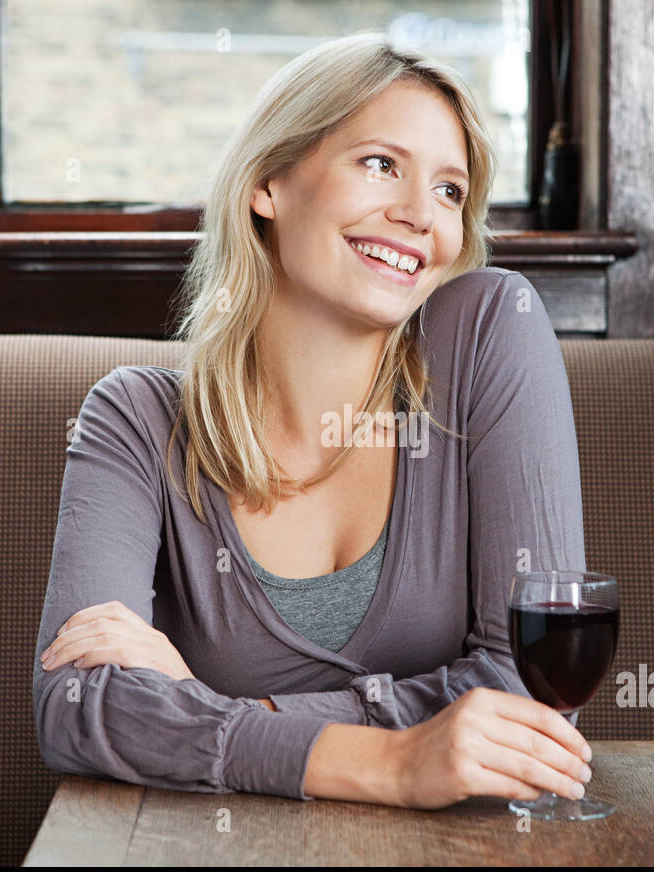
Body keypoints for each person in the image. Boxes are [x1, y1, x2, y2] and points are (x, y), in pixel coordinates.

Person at [34, 31, 592, 809]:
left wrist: (210, 709)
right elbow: (74, 709)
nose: (419, 216)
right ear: (269, 183)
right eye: (380, 164)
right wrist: (395, 762)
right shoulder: (135, 419)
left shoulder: (488, 330)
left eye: (450, 191)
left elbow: (526, 693)